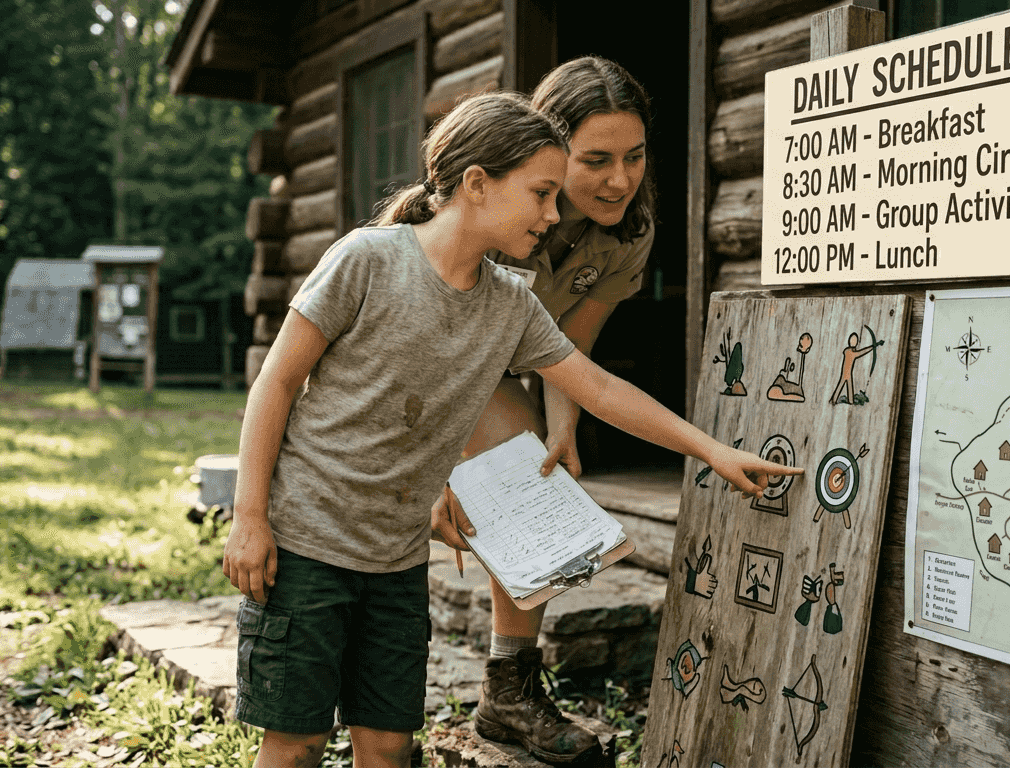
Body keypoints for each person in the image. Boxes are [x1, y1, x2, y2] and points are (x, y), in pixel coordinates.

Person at [223, 91, 800, 768]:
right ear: (477, 183)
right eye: (542, 194)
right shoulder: (367, 261)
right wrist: (249, 515)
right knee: (294, 747)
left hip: (397, 563)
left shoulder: (511, 304)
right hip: (306, 547)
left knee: (387, 748)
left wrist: (709, 449)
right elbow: (277, 383)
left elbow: (599, 388)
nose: (554, 215)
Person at [426, 56, 661, 764]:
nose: (620, 179)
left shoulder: (626, 232)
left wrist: (563, 426)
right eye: (595, 161)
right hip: (427, 365)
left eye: (635, 156)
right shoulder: (488, 211)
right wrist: (439, 464)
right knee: (494, 484)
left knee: (537, 478)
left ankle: (509, 692)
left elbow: (572, 344)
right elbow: (423, 347)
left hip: (515, 361)